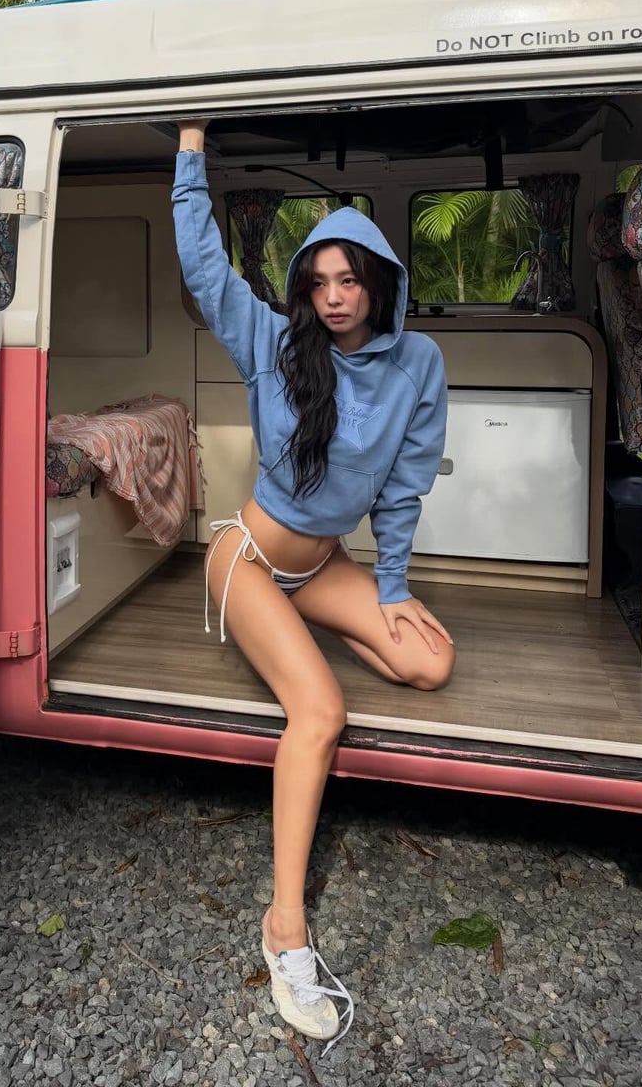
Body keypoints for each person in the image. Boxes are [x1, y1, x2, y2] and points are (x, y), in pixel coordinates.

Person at [172, 119, 455, 1049]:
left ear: (378, 283)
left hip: (323, 566)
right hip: (247, 560)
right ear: (302, 287)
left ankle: (313, 629)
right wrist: (189, 150)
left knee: (429, 663)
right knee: (321, 711)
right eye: (318, 281)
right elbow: (206, 266)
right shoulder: (271, 340)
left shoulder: (417, 364)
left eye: (349, 280)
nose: (333, 297)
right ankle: (284, 928)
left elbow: (405, 485)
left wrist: (394, 587)